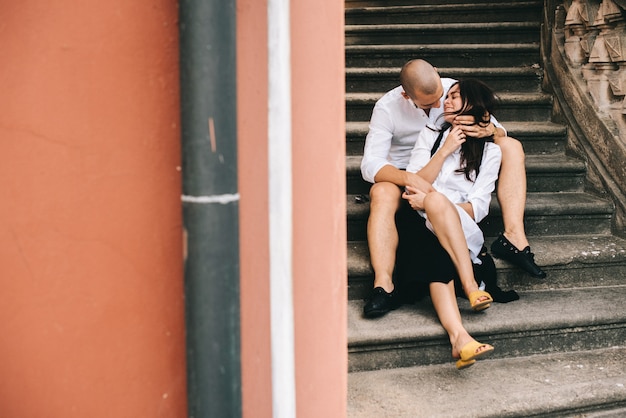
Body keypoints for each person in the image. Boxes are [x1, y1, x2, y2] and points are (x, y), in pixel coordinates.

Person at [361, 59, 545, 319]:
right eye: (428, 104)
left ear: (438, 74)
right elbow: (371, 164)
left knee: (511, 145)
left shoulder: (452, 91)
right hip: (407, 169)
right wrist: (411, 180)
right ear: (406, 95)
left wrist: (489, 130)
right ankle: (383, 285)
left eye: (442, 97)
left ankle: (514, 235)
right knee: (380, 192)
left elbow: (496, 127)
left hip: (458, 158)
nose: (439, 105)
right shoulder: (387, 108)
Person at [400, 79, 501, 369]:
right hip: (417, 221)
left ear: (474, 104)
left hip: (461, 227)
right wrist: (444, 150)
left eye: (455, 97)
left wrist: (436, 204)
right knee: (435, 251)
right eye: (447, 96)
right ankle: (461, 332)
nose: (446, 101)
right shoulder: (430, 135)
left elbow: (478, 208)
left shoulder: (490, 152)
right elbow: (413, 182)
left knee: (434, 202)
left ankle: (462, 323)